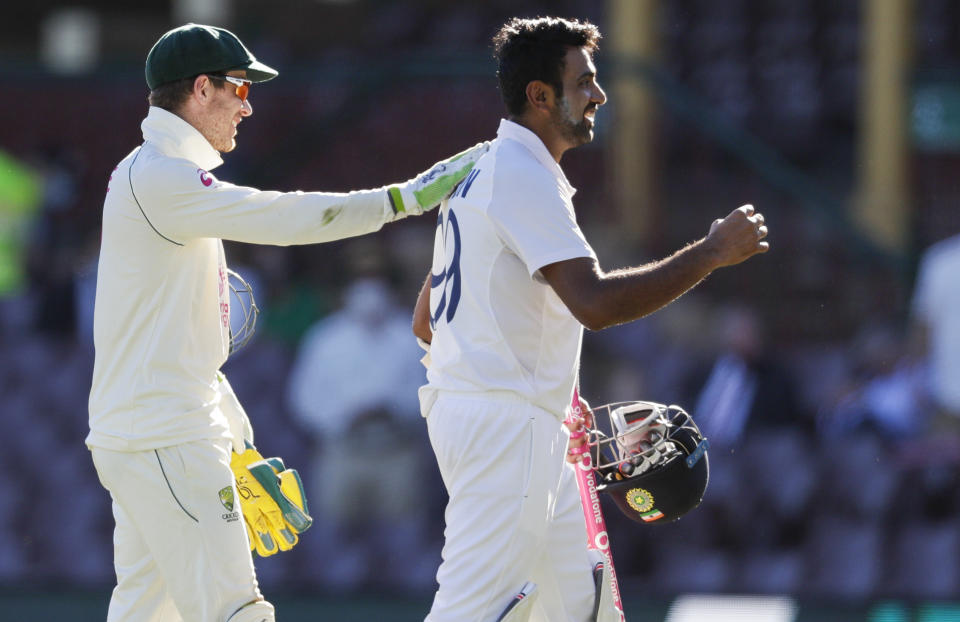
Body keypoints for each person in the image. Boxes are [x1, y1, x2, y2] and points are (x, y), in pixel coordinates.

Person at [86, 23, 484, 622]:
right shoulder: (160, 176)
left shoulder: (148, 171)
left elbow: (181, 349)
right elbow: (280, 217)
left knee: (146, 612)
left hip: (150, 434)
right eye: (240, 88)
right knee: (236, 611)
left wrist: (235, 440)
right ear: (201, 88)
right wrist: (404, 199)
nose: (247, 106)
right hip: (166, 437)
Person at [412, 16, 769, 622]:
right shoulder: (522, 176)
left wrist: (546, 398)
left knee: (583, 608)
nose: (599, 95)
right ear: (540, 96)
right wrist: (710, 253)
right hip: (509, 431)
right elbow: (595, 304)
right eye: (584, 82)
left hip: (515, 424)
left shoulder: (484, 169)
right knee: (470, 613)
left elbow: (426, 321)